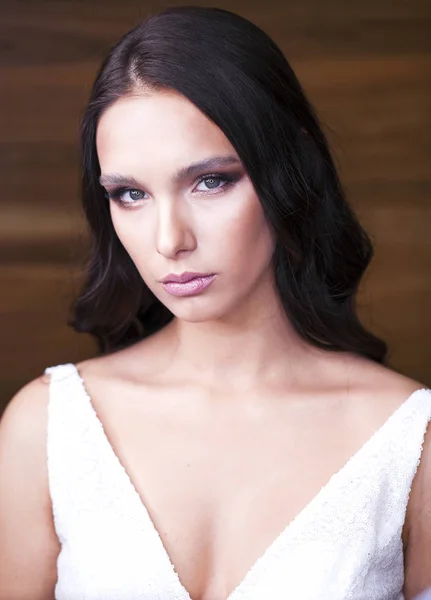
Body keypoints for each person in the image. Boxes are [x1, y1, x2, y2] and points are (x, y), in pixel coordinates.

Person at [0, 5, 430, 600]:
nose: (169, 239)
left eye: (210, 181)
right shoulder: (47, 425)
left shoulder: (412, 442)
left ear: (291, 168)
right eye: (129, 194)